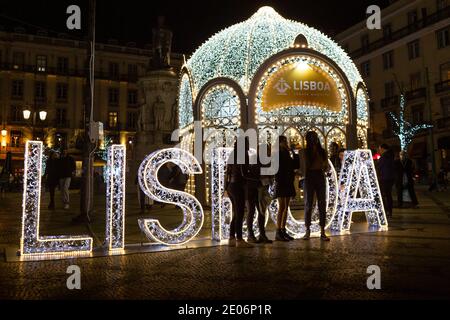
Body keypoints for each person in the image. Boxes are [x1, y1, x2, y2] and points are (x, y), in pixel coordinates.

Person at [299, 131, 330, 241]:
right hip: (309, 176)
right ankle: (307, 230)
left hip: (319, 175)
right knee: (308, 203)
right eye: (312, 137)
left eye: (315, 137)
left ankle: (322, 231)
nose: (314, 139)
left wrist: (325, 166)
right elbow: (302, 167)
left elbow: (326, 167)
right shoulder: (304, 152)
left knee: (322, 203)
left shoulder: (322, 151)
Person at [224, 139, 252, 248]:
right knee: (240, 213)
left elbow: (228, 172)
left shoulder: (233, 154)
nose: (249, 146)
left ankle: (231, 238)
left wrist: (225, 188)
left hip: (231, 186)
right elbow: (244, 172)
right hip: (239, 186)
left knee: (236, 212)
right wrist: (253, 176)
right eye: (247, 144)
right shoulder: (243, 154)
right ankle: (239, 239)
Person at [243, 144, 272, 244]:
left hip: (260, 188)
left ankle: (262, 234)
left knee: (261, 211)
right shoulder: (256, 159)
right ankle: (251, 235)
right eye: (267, 150)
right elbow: (257, 173)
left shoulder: (266, 160)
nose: (269, 152)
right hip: (252, 188)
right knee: (252, 211)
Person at [274, 135, 298, 241]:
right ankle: (278, 231)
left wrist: (293, 152)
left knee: (286, 207)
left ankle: (283, 230)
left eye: (285, 141)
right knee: (282, 207)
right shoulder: (277, 154)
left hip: (288, 182)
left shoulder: (287, 153)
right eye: (283, 141)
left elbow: (295, 165)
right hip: (282, 182)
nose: (285, 143)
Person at [377, 144, 395, 218]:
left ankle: (387, 211)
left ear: (383, 149)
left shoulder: (385, 156)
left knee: (385, 195)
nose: (379, 151)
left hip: (385, 178)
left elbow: (381, 166)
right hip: (389, 177)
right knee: (388, 195)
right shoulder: (390, 155)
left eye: (380, 149)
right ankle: (388, 211)